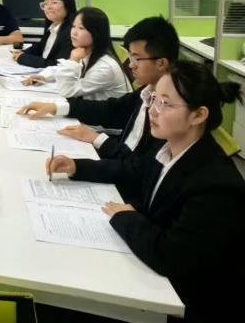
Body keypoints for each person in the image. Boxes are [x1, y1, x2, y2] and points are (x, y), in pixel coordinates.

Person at [47, 62, 245, 323]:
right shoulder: (167, 146)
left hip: (181, 302)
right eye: (153, 99)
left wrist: (125, 216)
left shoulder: (215, 186)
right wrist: (77, 167)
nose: (152, 110)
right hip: (153, 274)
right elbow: (133, 171)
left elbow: (170, 256)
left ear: (198, 115)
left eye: (165, 104)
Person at [18, 17, 178, 199]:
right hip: (120, 167)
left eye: (137, 58)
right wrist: (56, 107)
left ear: (161, 63)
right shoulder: (147, 91)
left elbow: (138, 167)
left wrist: (97, 140)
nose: (130, 65)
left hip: (132, 189)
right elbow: (110, 109)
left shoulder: (170, 110)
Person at [22, 7, 131, 100]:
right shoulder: (87, 52)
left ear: (96, 33)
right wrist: (43, 76)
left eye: (81, 28)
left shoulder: (104, 67)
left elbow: (67, 91)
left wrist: (73, 61)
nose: (74, 32)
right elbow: (59, 68)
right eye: (73, 26)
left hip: (104, 118)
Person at [11, 0, 76, 68]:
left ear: (68, 5)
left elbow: (57, 65)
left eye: (54, 2)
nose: (48, 7)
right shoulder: (52, 26)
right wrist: (23, 52)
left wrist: (23, 58)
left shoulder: (72, 33)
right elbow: (40, 47)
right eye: (45, 3)